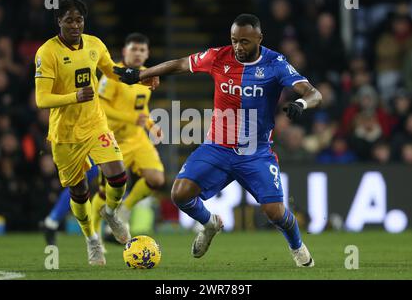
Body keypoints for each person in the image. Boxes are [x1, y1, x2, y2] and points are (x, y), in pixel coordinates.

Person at [113, 14, 322, 267]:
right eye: (234, 40)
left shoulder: (275, 63)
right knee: (180, 194)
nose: (238, 47)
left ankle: (297, 247)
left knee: (274, 212)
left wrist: (300, 104)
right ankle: (210, 224)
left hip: (255, 152)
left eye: (244, 41)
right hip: (217, 146)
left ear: (259, 38)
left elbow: (313, 93)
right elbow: (180, 64)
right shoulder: (218, 56)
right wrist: (141, 74)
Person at [34, 0, 155, 265]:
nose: (75, 25)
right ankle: (92, 240)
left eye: (79, 20)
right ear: (59, 22)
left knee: (118, 175)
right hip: (65, 133)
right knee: (79, 192)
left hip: (95, 124)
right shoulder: (47, 52)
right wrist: (74, 96)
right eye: (69, 20)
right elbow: (42, 99)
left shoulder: (94, 44)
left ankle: (111, 212)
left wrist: (140, 75)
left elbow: (112, 71)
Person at [91, 32, 165, 239]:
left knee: (157, 179)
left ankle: (125, 209)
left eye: (142, 50)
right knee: (106, 193)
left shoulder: (146, 77)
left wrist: (151, 126)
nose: (138, 53)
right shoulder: (112, 75)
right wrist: (130, 118)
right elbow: (101, 107)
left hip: (137, 139)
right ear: (125, 51)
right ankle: (93, 235)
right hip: (111, 141)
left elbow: (141, 110)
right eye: (134, 49)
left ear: (148, 53)